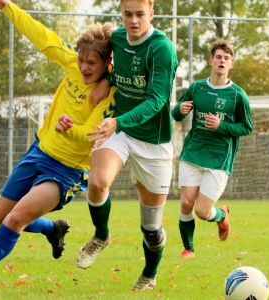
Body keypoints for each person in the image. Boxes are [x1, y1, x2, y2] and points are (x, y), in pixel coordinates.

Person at [0, 0, 115, 294]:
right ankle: (53, 229)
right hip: (38, 152)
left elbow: (93, 133)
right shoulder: (71, 64)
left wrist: (72, 128)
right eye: (82, 59)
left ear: (107, 63)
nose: (85, 67)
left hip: (66, 170)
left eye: (93, 63)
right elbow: (42, 37)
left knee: (13, 220)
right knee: (0, 216)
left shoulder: (109, 93)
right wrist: (7, 6)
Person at [75, 0, 177, 291]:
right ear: (121, 14)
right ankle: (101, 235)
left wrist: (119, 122)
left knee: (152, 228)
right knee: (97, 182)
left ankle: (149, 275)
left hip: (153, 141)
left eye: (139, 14)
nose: (133, 21)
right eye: (127, 14)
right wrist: (106, 80)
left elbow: (157, 101)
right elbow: (99, 63)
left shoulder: (162, 49)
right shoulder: (117, 38)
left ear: (151, 14)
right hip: (120, 131)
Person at [171, 39, 253, 259]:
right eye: (218, 57)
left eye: (226, 58)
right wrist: (180, 109)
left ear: (231, 65)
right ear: (211, 60)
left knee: (202, 211)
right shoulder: (197, 88)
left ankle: (221, 215)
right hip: (193, 152)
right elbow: (176, 114)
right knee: (187, 203)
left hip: (218, 159)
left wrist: (221, 126)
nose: (222, 61)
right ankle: (189, 248)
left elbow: (246, 127)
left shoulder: (237, 95)